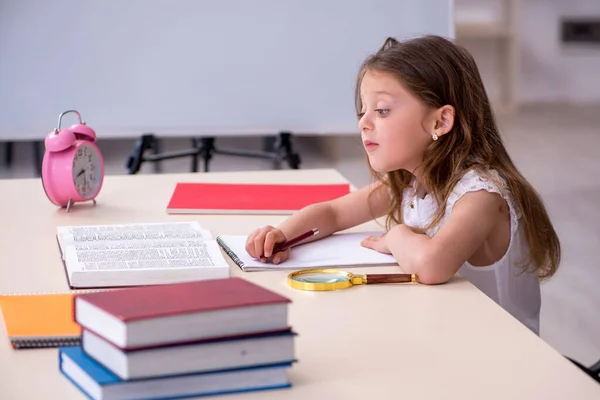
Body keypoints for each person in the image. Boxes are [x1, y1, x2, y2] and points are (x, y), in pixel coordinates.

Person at [245, 35, 561, 334]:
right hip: (449, 334)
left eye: (381, 111)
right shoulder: (410, 183)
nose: (363, 123)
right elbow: (333, 213)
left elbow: (432, 265)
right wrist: (283, 235)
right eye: (363, 110)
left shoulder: (480, 195)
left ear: (439, 122)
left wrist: (395, 236)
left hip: (502, 360)